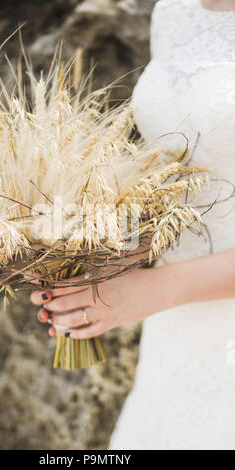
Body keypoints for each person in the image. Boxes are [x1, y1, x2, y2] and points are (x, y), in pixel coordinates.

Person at [30, 0, 235, 449]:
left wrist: (155, 290)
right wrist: (108, 253)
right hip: (176, 330)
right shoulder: (176, 11)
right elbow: (182, 170)